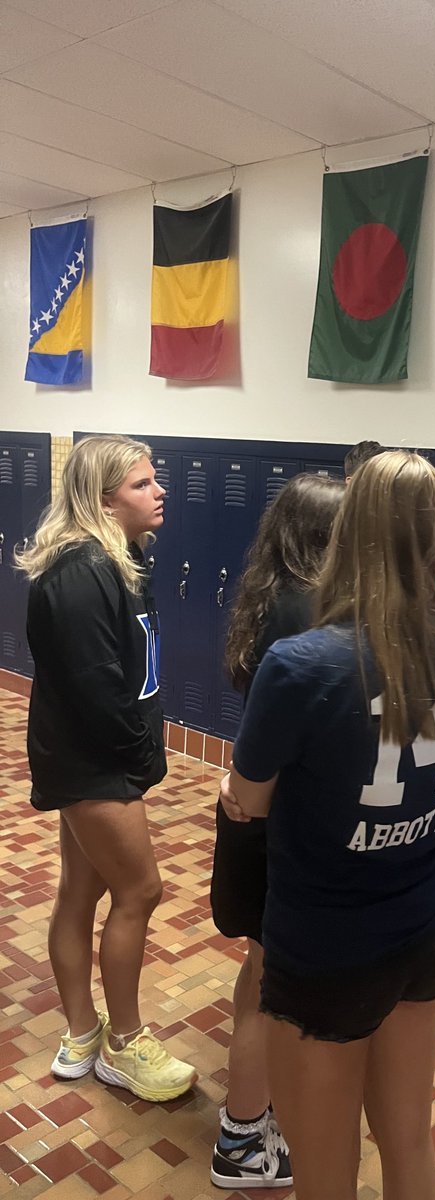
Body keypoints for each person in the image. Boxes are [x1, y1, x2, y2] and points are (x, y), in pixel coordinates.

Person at [217, 450, 435, 1200]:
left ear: (351, 533)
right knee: (409, 1144)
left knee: (326, 1172)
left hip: (327, 943)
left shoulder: (300, 664)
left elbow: (249, 800)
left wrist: (253, 797)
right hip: (428, 927)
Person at [17, 434, 196, 1102]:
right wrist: (144, 760)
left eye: (156, 480)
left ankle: (82, 1031)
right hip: (93, 764)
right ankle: (123, 1042)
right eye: (143, 484)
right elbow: (97, 693)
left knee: (81, 891)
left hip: (104, 758)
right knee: (140, 891)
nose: (160, 492)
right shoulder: (79, 572)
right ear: (102, 498)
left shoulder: (121, 558)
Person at [209, 473, 344, 1190]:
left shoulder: (272, 590)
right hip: (280, 822)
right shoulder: (308, 611)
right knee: (270, 987)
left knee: (257, 975)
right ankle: (239, 1141)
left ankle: (251, 1119)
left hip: (260, 807)